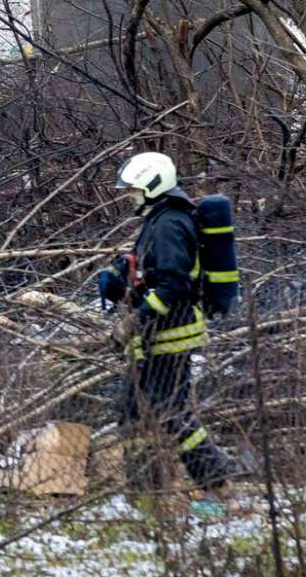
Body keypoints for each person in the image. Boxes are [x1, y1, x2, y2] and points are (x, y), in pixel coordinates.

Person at [95, 151, 235, 507]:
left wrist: (137, 319)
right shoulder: (159, 220)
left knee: (170, 411)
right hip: (156, 336)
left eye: (133, 190)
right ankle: (145, 491)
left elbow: (172, 283)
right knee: (132, 409)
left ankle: (216, 485)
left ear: (152, 186)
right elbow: (153, 272)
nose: (130, 197)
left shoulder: (170, 223)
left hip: (170, 334)